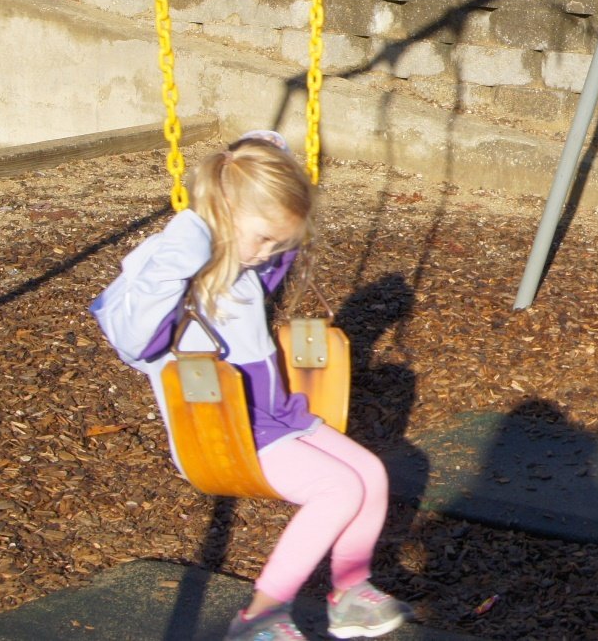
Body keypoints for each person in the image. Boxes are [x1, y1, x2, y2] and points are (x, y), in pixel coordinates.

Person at [90, 132, 411, 641]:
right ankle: (260, 614)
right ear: (218, 214)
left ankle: (350, 592)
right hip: (226, 433)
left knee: (370, 472)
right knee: (338, 488)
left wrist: (273, 161)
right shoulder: (172, 274)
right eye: (262, 238)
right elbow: (133, 342)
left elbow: (274, 244)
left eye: (275, 244)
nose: (267, 254)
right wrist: (180, 251)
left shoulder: (244, 269)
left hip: (281, 418)